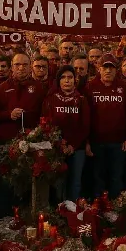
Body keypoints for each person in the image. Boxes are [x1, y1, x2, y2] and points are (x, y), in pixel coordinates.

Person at [0, 53, 45, 215]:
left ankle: (25, 214)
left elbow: (45, 114)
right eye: (17, 65)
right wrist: (9, 114)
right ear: (12, 67)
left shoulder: (39, 88)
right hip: (5, 142)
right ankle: (3, 214)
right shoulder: (2, 88)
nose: (21, 68)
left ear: (30, 66)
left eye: (25, 65)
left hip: (30, 143)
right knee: (4, 181)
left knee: (26, 181)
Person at [86, 54, 126, 198]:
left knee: (117, 178)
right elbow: (86, 116)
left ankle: (115, 209)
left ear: (116, 70)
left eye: (111, 67)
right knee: (98, 178)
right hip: (97, 142)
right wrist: (87, 141)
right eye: (105, 67)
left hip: (119, 143)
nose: (108, 71)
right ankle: (98, 208)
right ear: (99, 69)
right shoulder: (90, 87)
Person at [43, 66, 90, 201]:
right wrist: (59, 144)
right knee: (58, 182)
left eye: (70, 77)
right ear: (58, 81)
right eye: (63, 77)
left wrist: (72, 145)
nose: (67, 80)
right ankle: (58, 213)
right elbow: (46, 124)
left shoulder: (81, 99)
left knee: (75, 182)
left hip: (77, 148)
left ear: (75, 80)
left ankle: (73, 212)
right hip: (56, 148)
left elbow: (85, 126)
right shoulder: (50, 99)